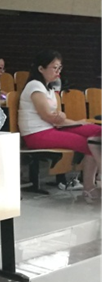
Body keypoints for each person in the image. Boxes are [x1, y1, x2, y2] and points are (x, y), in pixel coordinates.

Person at [19, 50, 101, 200]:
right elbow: (48, 116)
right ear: (41, 68)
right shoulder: (34, 86)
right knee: (89, 143)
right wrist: (62, 117)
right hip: (36, 134)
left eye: (59, 68)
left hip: (51, 128)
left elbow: (57, 118)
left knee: (97, 131)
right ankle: (89, 186)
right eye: (54, 68)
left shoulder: (49, 88)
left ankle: (93, 182)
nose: (58, 72)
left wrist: (78, 123)